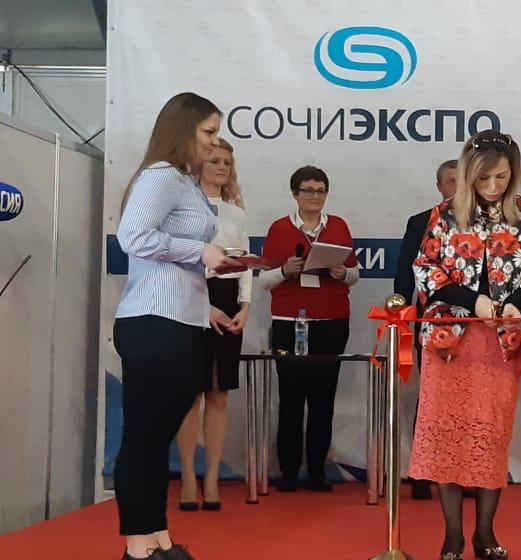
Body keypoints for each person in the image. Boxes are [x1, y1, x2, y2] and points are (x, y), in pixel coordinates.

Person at [408, 130, 521, 560]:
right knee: (447, 438)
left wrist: (518, 302)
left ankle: (484, 533)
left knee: (490, 436)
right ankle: (452, 535)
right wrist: (474, 301)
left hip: (501, 343)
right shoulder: (444, 214)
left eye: (501, 177)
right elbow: (426, 268)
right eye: (484, 178)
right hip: (449, 342)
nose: (492, 186)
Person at [114, 92, 240, 560]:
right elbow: (132, 236)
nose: (214, 142)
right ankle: (138, 546)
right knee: (144, 435)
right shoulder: (161, 176)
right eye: (208, 132)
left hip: (185, 319)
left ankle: (158, 537)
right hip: (153, 319)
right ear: (183, 129)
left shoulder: (187, 183)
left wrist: (217, 263)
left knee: (158, 434)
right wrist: (198, 251)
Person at [258, 165, 361, 492]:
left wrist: (342, 273)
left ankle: (317, 471)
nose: (315, 196)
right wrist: (285, 270)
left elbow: (355, 274)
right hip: (290, 322)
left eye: (320, 191)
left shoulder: (338, 226)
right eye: (308, 190)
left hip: (331, 322)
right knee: (290, 398)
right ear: (295, 194)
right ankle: (289, 472)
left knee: (323, 399)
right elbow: (263, 280)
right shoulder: (279, 229)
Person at [175, 139, 251, 512]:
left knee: (220, 395)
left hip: (229, 302)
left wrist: (245, 306)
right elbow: (180, 262)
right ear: (199, 164)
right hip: (193, 300)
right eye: (215, 160)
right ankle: (189, 475)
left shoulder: (236, 212)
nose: (222, 167)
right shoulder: (184, 208)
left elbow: (245, 262)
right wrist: (205, 309)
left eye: (227, 162)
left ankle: (212, 477)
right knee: (192, 394)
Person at [395, 159, 458, 500]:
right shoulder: (420, 222)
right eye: (450, 181)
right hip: (430, 323)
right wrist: (402, 314)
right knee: (432, 397)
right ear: (439, 186)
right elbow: (406, 274)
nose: (457, 188)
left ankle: (463, 473)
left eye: (462, 180)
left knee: (466, 402)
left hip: (474, 324)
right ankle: (423, 470)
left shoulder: (486, 223)